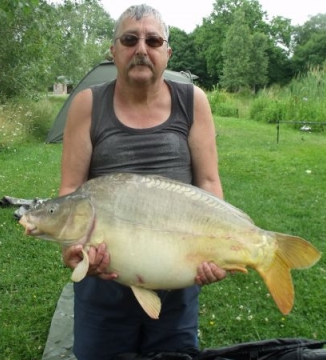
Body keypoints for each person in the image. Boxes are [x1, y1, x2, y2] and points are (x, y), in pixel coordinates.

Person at [59, 4, 227, 360]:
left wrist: (217, 251)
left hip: (175, 279)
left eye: (153, 40)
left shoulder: (193, 102)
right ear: (113, 49)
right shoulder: (87, 104)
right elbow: (70, 190)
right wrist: (70, 246)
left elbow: (210, 184)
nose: (141, 49)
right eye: (130, 39)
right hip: (102, 280)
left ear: (167, 51)